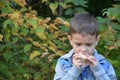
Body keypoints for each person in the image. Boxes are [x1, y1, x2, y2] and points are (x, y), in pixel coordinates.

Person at [53, 13, 117, 80]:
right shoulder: (63, 63)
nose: (83, 50)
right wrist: (75, 70)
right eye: (78, 44)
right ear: (71, 40)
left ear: (96, 40)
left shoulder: (104, 64)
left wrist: (98, 70)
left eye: (88, 44)